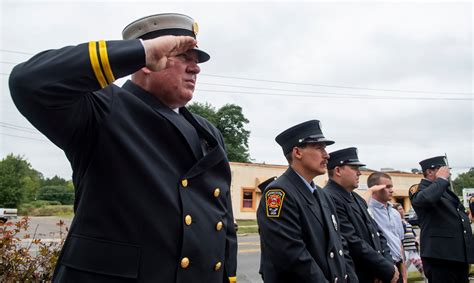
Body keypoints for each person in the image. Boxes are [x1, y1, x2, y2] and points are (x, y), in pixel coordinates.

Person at [9, 13, 237, 282]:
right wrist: (140, 51)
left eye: (196, 60)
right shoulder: (103, 109)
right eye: (184, 56)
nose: (195, 68)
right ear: (146, 63)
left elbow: (224, 219)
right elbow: (28, 81)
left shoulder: (207, 132)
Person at [257, 120, 358, 283]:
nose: (327, 155)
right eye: (319, 148)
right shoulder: (279, 193)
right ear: (297, 152)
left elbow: (340, 246)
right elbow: (292, 256)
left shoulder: (322, 195)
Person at [324, 147, 399, 283]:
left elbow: (377, 233)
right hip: (358, 275)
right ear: (338, 170)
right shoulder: (329, 197)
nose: (359, 173)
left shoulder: (356, 198)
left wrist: (388, 265)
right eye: (354, 168)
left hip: (377, 273)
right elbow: (352, 241)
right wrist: (383, 269)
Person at [409, 156, 474, 283]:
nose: (448, 174)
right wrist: (441, 180)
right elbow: (425, 200)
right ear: (430, 171)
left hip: (457, 257)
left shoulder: (444, 190)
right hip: (440, 257)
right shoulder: (420, 189)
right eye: (444, 170)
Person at [366, 172, 406, 283]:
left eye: (391, 186)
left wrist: (404, 276)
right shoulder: (367, 211)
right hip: (381, 267)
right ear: (375, 188)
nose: (391, 190)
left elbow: (399, 243)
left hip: (397, 266)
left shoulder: (395, 213)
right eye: (387, 187)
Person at [392, 203, 426, 283]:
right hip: (404, 251)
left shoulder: (406, 221)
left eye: (402, 209)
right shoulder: (396, 222)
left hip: (412, 250)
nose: (401, 211)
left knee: (423, 269)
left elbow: (411, 232)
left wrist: (416, 238)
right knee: (402, 272)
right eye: (399, 209)